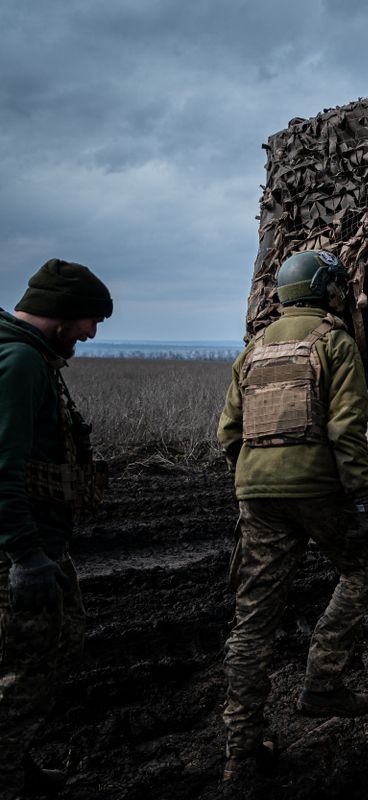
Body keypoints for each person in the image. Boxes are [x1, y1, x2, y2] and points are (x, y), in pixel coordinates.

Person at [216, 249, 368, 782]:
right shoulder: (334, 343)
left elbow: (227, 434)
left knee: (253, 620)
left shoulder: (253, 351)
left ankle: (240, 751)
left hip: (255, 492)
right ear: (327, 292)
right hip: (316, 488)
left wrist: (256, 477)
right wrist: (361, 499)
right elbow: (345, 431)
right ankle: (322, 684)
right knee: (362, 569)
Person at [0, 259, 112, 798]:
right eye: (91, 321)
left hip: (44, 542)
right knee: (26, 673)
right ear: (64, 315)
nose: (91, 334)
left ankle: (15, 762)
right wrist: (24, 554)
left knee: (60, 645)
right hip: (25, 546)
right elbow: (3, 468)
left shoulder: (35, 360)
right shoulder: (19, 362)